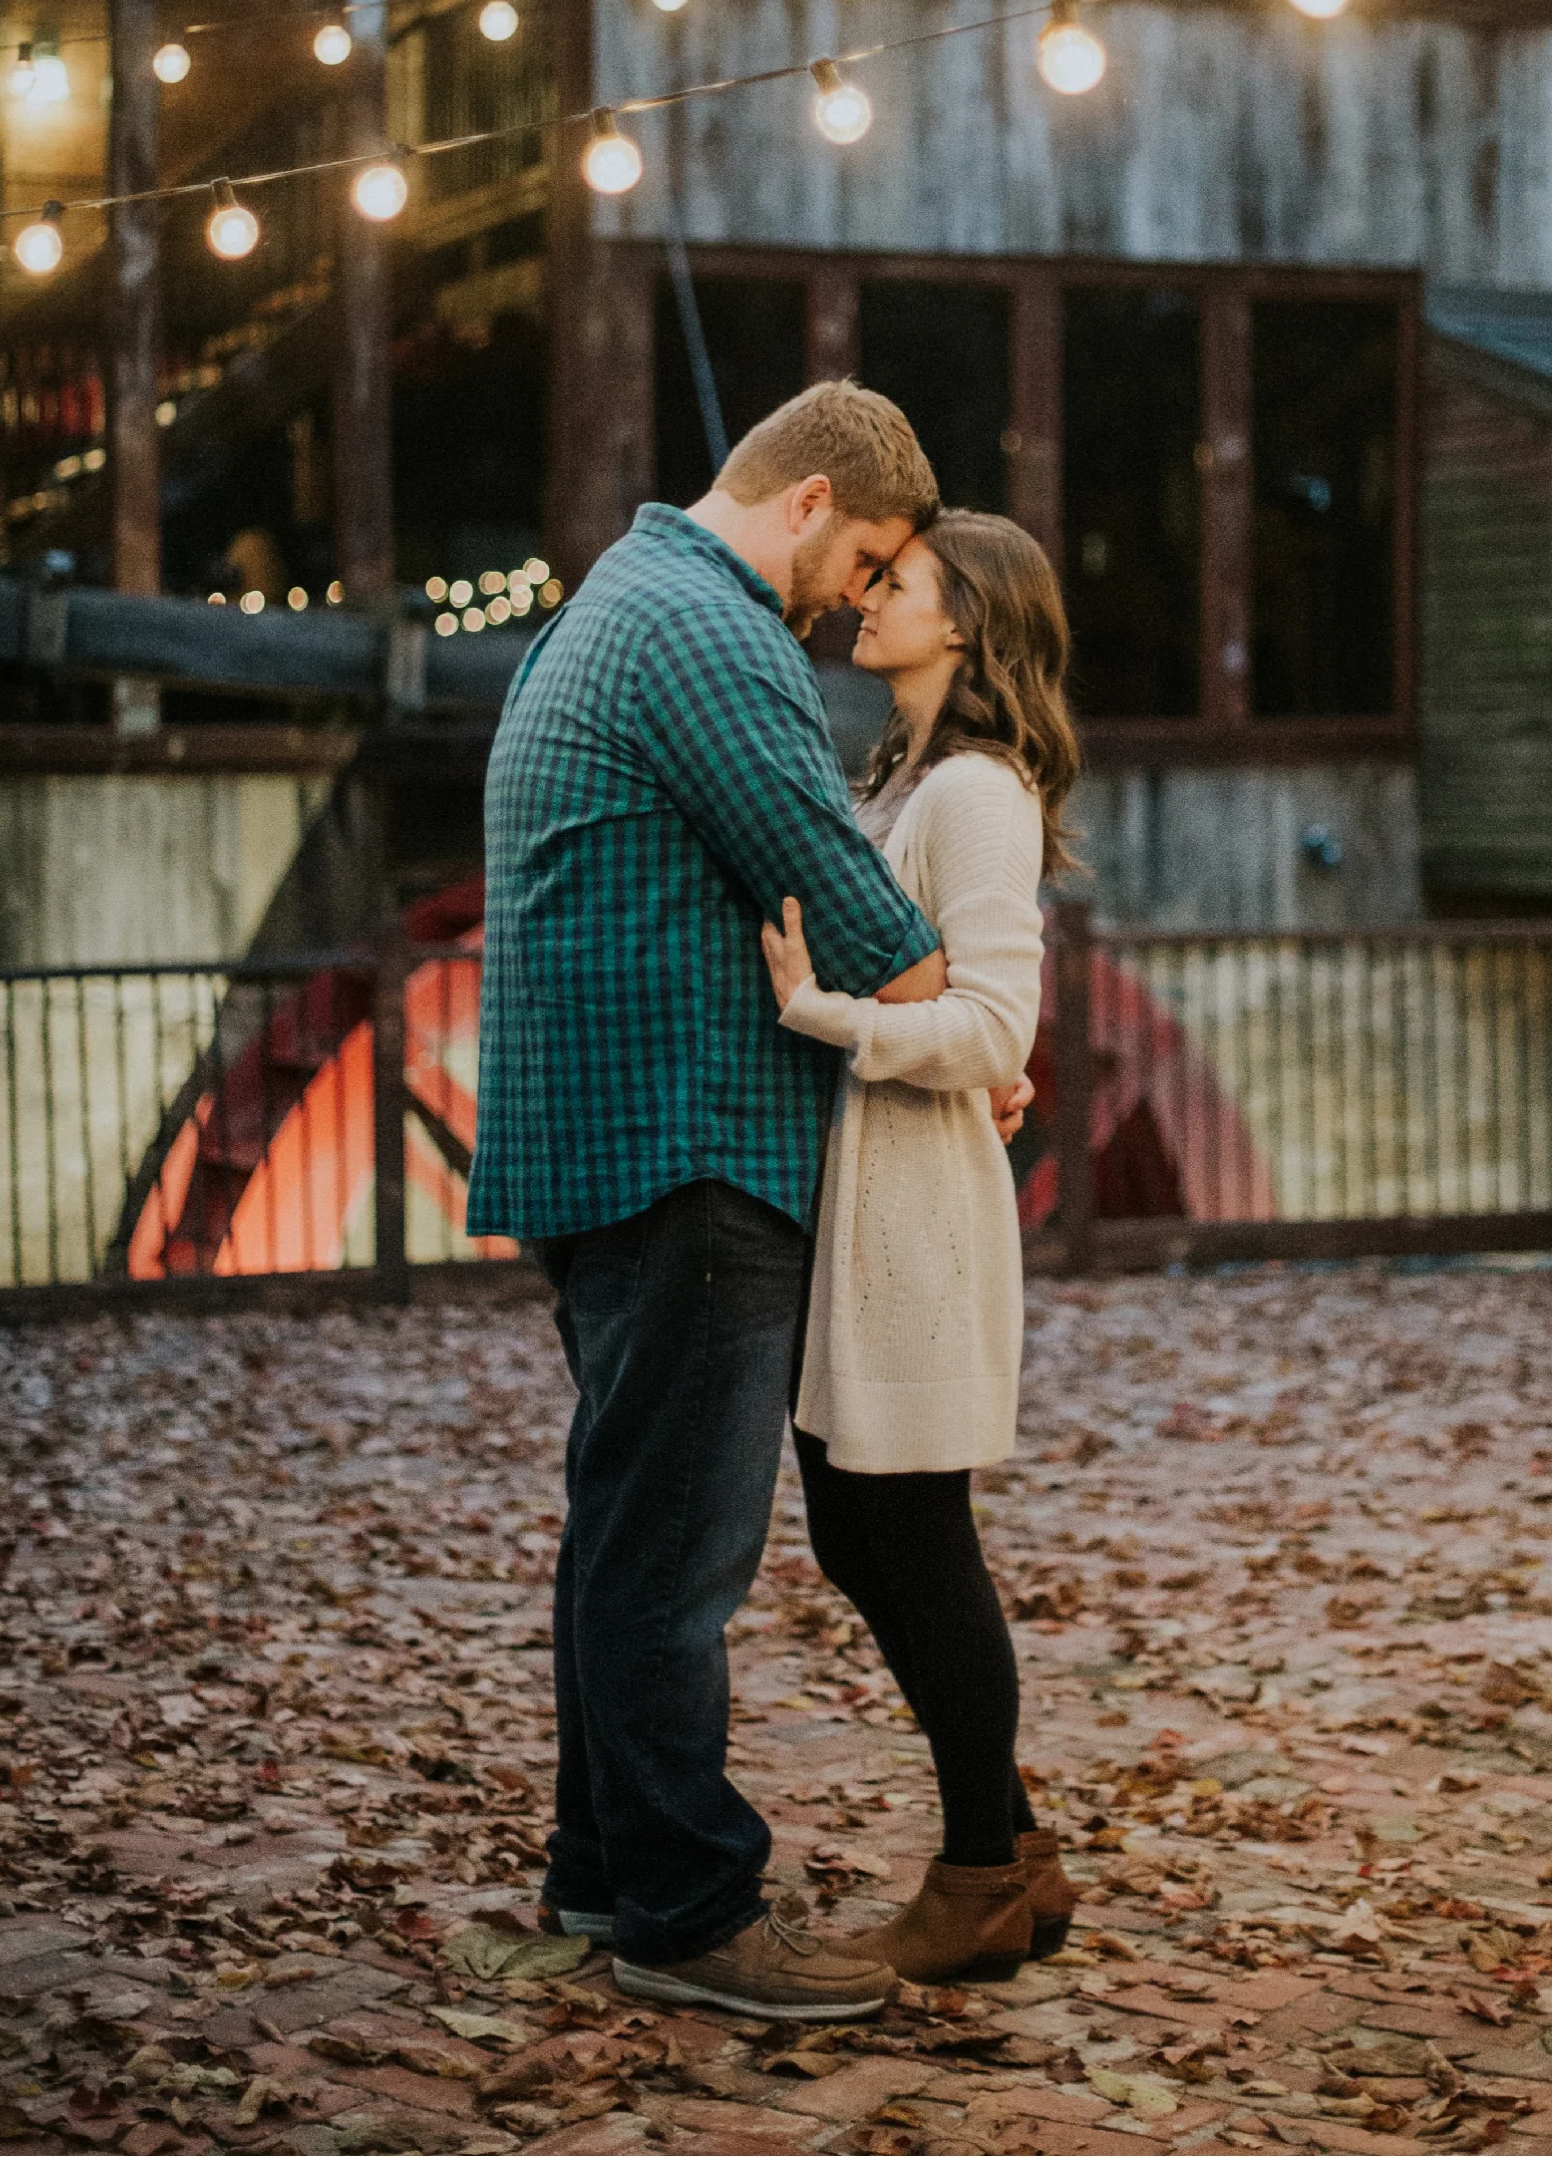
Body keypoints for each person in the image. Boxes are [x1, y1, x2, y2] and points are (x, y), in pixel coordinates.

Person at [469, 383, 951, 2023]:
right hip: (690, 1150)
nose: (857, 598)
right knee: (676, 1553)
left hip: (606, 1150)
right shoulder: (708, 628)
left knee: (622, 1530)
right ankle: (689, 1910)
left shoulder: (617, 600)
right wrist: (937, 983)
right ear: (809, 501)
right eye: (867, 556)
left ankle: (604, 1869)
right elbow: (858, 908)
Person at [760, 510, 1082, 1985]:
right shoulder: (901, 770)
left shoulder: (976, 791)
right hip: (874, 1194)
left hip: (918, 1209)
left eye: (902, 582)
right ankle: (1016, 1842)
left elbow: (997, 1029)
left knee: (911, 1533)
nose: (868, 595)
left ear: (968, 623)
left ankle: (974, 1876)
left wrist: (823, 1015)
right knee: (860, 1525)